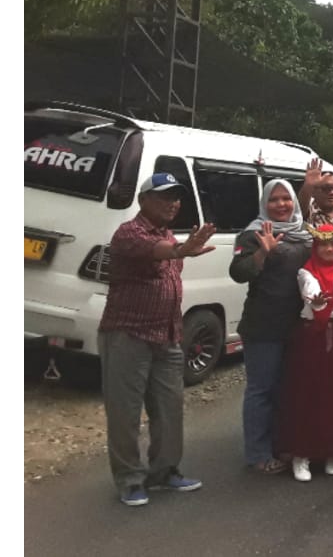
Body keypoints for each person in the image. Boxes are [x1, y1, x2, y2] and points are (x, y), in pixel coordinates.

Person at [99, 172, 215, 506]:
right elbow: (159, 251)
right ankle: (130, 479)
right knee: (125, 413)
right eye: (164, 197)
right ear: (143, 200)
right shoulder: (129, 233)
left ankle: (164, 473)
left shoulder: (168, 234)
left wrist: (180, 248)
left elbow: (168, 252)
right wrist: (181, 250)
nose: (173, 203)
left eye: (176, 197)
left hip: (167, 337)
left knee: (169, 409)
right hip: (128, 335)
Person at [229, 178, 310, 476]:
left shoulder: (304, 234)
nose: (280, 205)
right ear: (265, 203)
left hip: (297, 325)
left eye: (286, 199)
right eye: (274, 200)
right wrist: (263, 253)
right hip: (263, 325)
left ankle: (281, 444)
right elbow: (238, 272)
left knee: (286, 389)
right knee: (261, 390)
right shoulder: (253, 234)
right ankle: (258, 453)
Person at [278, 222, 333, 482]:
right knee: (308, 397)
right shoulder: (306, 273)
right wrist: (317, 303)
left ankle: (331, 452)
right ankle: (302, 455)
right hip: (313, 338)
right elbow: (312, 295)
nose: (329, 249)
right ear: (315, 247)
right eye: (324, 245)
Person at [298, 158, 333, 229]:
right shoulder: (310, 212)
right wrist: (308, 185)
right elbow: (299, 210)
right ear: (314, 192)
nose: (332, 192)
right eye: (326, 188)